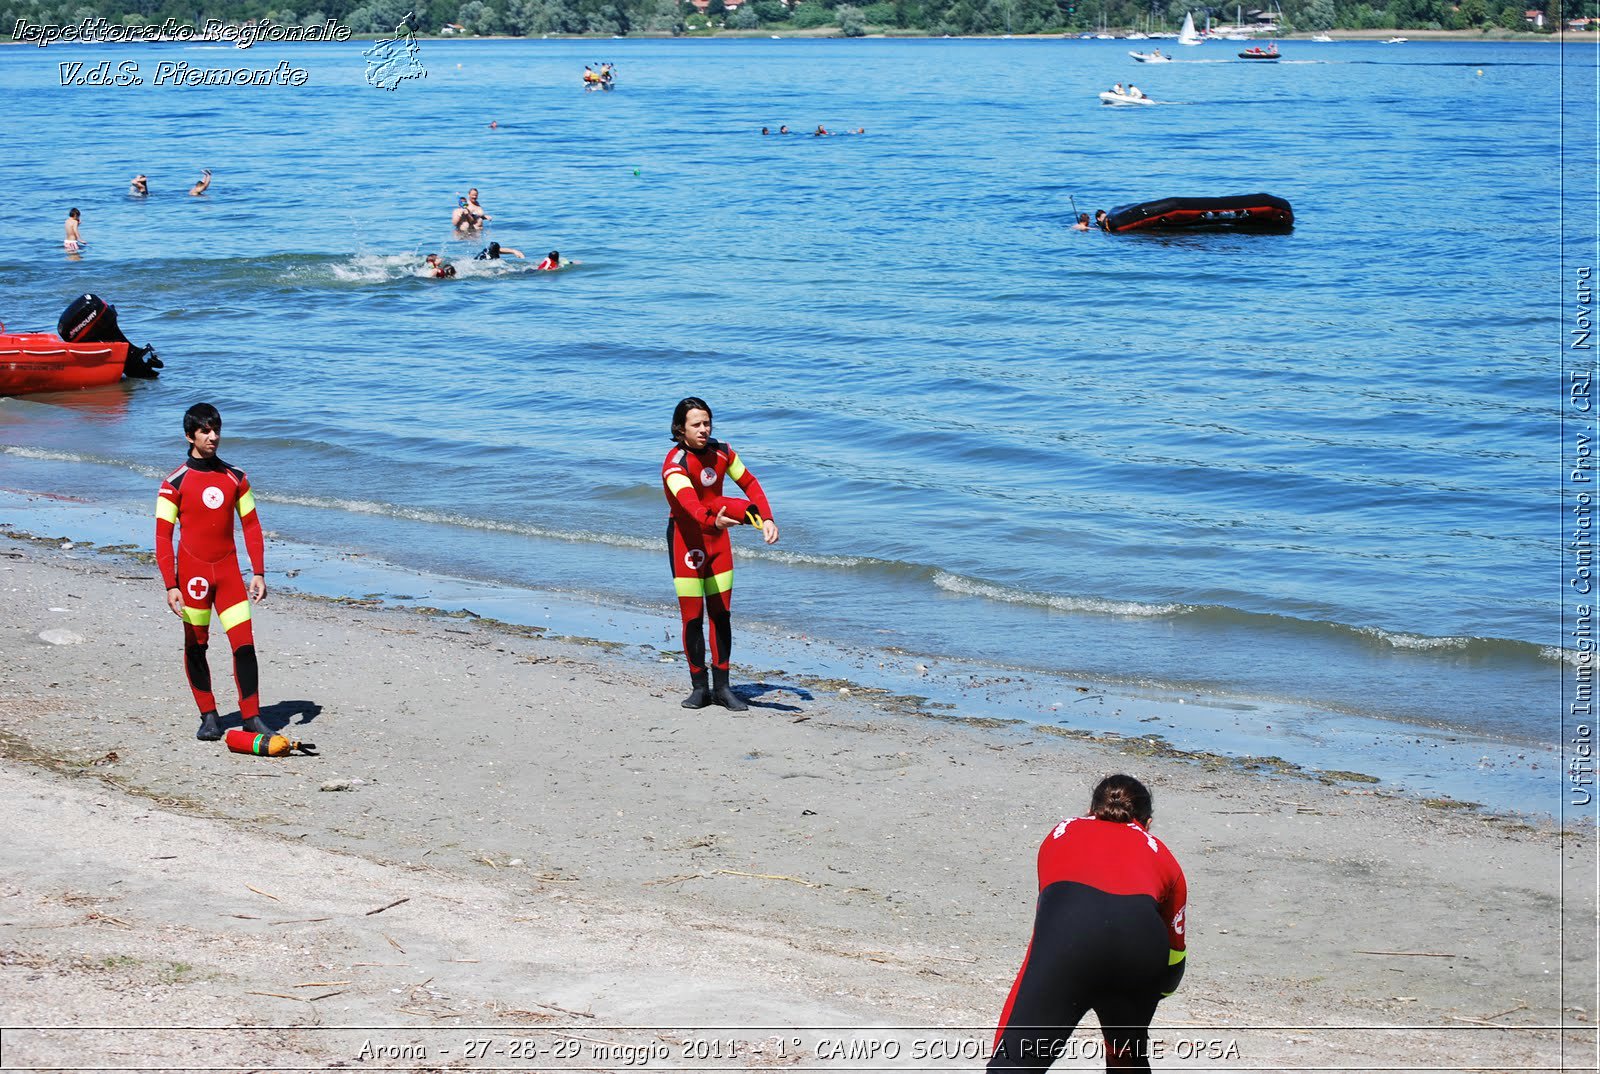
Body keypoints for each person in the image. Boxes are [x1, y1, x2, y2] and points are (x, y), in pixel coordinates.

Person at [988, 774, 1187, 1074]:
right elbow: (1174, 966)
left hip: (1072, 938)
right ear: (1146, 824)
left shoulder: (1061, 831)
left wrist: (1005, 1054)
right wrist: (1132, 1011)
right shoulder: (1164, 856)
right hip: (1142, 947)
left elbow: (1047, 933)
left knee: (1013, 1066)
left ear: (1091, 810)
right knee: (1127, 1059)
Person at [155, 403, 272, 743]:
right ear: (189, 435)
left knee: (245, 647)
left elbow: (251, 526)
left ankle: (251, 717)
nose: (213, 436)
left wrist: (259, 572)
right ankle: (209, 715)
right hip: (193, 579)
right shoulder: (173, 482)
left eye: (216, 429)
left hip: (229, 576)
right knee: (196, 646)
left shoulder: (235, 477)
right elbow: (163, 536)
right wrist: (170, 584)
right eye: (205, 430)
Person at [661, 397, 779, 711]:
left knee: (721, 614)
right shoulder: (675, 464)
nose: (703, 429)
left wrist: (766, 518)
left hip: (718, 543)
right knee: (692, 618)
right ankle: (700, 688)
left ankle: (723, 688)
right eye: (695, 425)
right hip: (687, 544)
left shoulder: (723, 452)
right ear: (680, 429)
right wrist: (713, 521)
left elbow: (750, 482)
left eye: (707, 423)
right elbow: (690, 504)